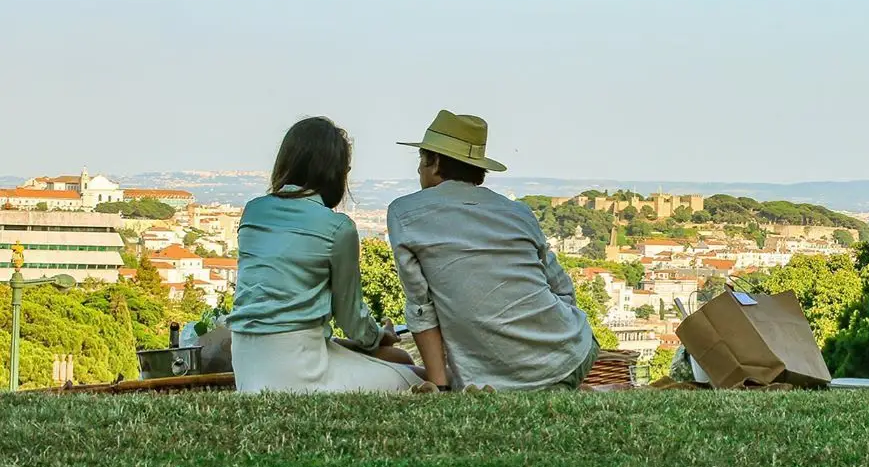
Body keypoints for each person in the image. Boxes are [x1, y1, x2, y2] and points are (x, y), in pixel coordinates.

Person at [388, 110, 598, 392]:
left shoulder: (404, 214)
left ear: (434, 161)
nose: (418, 170)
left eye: (421, 160)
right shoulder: (518, 212)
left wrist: (439, 385)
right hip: (571, 351)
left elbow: (421, 307)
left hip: (493, 374)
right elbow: (561, 287)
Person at [227, 117, 422, 393]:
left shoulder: (253, 212)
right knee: (415, 376)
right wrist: (379, 336)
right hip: (300, 367)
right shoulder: (338, 228)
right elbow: (350, 318)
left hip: (247, 361)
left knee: (395, 360)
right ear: (335, 172)